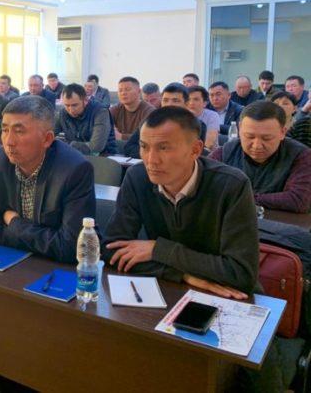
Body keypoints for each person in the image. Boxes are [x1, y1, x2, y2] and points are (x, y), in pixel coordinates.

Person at [102, 106, 283, 392]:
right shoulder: (138, 178)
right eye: (145, 147)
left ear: (196, 149)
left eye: (164, 148)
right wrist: (182, 274)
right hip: (170, 290)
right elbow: (113, 249)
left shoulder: (232, 186)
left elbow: (240, 275)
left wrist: (159, 249)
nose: (151, 159)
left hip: (230, 300)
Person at [0, 95, 95, 393]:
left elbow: (70, 247)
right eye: (5, 129)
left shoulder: (75, 169)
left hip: (57, 279)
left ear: (47, 139)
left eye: (19, 130)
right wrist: (38, 236)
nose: (8, 140)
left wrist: (15, 222)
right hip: (13, 270)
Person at [210, 101, 311, 213]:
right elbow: (204, 186)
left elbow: (299, 200)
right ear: (240, 129)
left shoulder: (301, 156)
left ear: (282, 132)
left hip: (280, 222)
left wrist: (241, 197)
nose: (257, 145)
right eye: (249, 136)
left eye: (266, 138)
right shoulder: (225, 153)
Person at [124, 83, 208, 158]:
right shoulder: (149, 122)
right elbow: (129, 147)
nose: (169, 104)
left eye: (175, 101)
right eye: (165, 100)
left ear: (186, 104)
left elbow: (191, 154)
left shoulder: (197, 125)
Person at [55, 83, 116, 155]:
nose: (71, 110)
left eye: (75, 105)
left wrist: (69, 145)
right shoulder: (62, 113)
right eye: (67, 105)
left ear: (85, 100)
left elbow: (96, 146)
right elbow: (48, 134)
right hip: (74, 155)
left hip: (103, 156)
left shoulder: (101, 112)